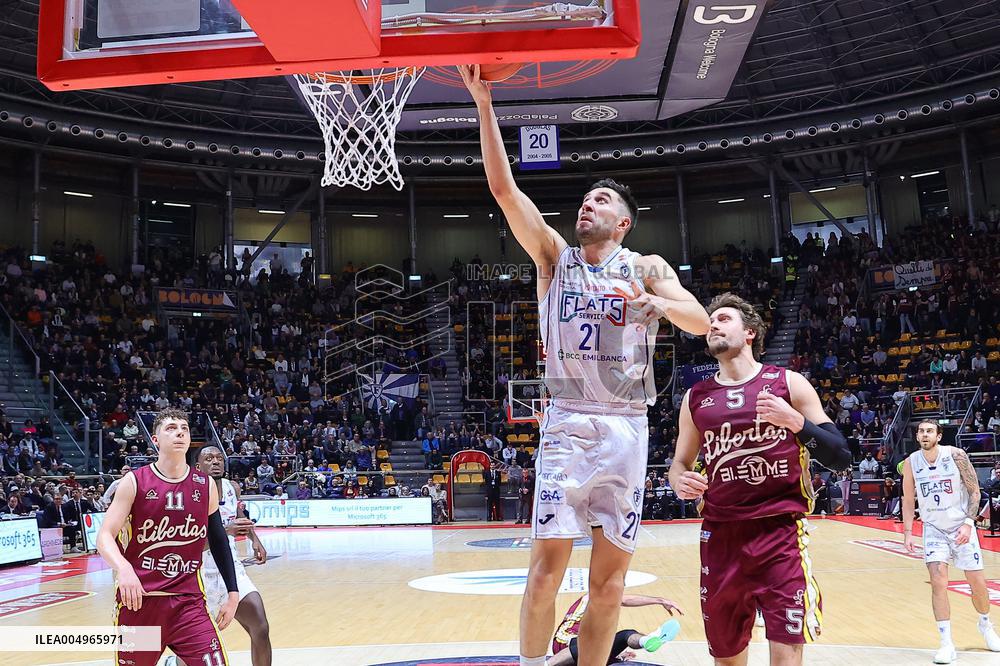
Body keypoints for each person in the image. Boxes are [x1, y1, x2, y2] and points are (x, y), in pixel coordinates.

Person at [460, 64, 710, 666]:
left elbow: (701, 322)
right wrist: (484, 103)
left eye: (600, 199)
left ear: (622, 222)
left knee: (609, 587)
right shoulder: (554, 257)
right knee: (545, 572)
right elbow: (504, 192)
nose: (586, 204)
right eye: (584, 199)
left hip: (626, 425)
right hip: (568, 422)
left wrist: (655, 302)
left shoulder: (647, 266)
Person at [669, 293, 851, 665]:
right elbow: (679, 464)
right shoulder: (695, 397)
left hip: (780, 535)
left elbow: (840, 456)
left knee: (786, 652)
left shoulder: (789, 384)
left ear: (750, 332)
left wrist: (795, 422)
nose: (713, 325)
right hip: (720, 537)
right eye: (710, 322)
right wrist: (679, 481)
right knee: (727, 657)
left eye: (723, 319)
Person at [96, 408, 240, 666]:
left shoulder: (205, 485)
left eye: (184, 428)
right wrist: (124, 569)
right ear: (155, 440)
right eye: (171, 428)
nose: (179, 433)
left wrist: (233, 592)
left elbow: (218, 540)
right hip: (140, 604)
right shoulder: (134, 482)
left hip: (189, 604)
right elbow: (105, 536)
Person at [902, 420, 1000, 663]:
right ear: (917, 436)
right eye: (921, 431)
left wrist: (969, 523)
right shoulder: (911, 462)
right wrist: (907, 532)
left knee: (977, 584)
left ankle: (985, 624)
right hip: (934, 528)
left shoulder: (956, 455)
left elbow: (975, 491)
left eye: (929, 431)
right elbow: (907, 498)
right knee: (938, 583)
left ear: (939, 435)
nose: (925, 435)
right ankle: (946, 643)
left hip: (960, 525)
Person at [187, 446, 272, 666]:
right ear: (198, 467)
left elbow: (238, 514)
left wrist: (255, 539)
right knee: (195, 648)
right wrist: (226, 531)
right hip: (199, 575)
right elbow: (190, 545)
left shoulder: (230, 488)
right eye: (209, 458)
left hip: (230, 569)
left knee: (260, 627)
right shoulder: (189, 494)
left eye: (218, 458)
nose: (215, 462)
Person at [547, 593, 683, 666]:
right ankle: (646, 639)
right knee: (625, 635)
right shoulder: (597, 593)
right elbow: (624, 600)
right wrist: (660, 600)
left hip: (574, 647)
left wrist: (613, 654)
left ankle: (647, 640)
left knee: (618, 640)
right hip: (566, 643)